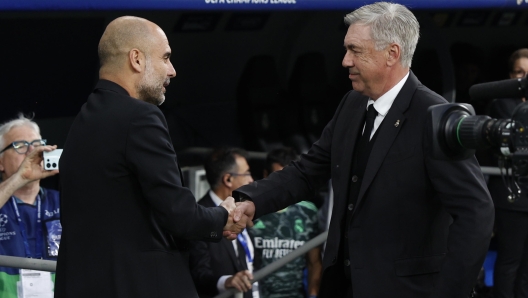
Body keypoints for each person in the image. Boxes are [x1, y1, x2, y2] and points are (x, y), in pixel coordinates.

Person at [232, 3, 494, 297]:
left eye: (355, 50)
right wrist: (252, 201)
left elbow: (476, 212)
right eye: (346, 49)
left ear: (392, 53)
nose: (345, 61)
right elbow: (308, 171)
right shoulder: (351, 104)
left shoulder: (434, 115)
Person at [54, 16, 249, 298]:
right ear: (136, 59)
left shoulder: (82, 122)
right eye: (166, 57)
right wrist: (223, 216)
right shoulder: (140, 118)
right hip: (140, 286)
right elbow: (181, 217)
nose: (172, 70)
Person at [0, 115, 60, 298]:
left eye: (37, 143)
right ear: (0, 162)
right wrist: (20, 177)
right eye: (20, 145)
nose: (32, 151)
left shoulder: (62, 201)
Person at [250, 147, 321, 298]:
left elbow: (314, 263)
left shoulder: (307, 212)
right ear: (265, 175)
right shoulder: (251, 210)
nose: (282, 186)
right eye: (277, 178)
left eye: (287, 179)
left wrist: (313, 295)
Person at [189, 147, 257, 298]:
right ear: (228, 179)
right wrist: (227, 281)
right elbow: (198, 273)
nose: (251, 180)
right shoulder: (200, 217)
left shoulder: (244, 208)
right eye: (246, 173)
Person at [487, 48, 528, 298]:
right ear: (511, 76)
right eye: (519, 72)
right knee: (509, 262)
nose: (525, 78)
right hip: (511, 195)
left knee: (526, 268)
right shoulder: (501, 102)